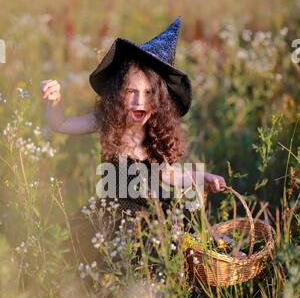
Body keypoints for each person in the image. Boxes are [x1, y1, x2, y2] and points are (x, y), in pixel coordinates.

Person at [40, 17, 227, 274]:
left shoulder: (154, 136)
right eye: (131, 92)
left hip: (152, 214)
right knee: (95, 260)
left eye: (149, 93)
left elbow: (171, 175)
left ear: (159, 99)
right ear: (118, 94)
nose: (140, 101)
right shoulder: (107, 122)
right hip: (112, 215)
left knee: (182, 242)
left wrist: (203, 176)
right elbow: (60, 124)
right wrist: (55, 100)